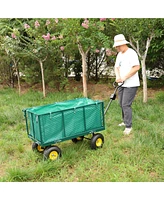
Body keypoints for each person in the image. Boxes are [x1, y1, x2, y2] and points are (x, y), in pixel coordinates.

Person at [113, 34, 140, 135]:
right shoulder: (120, 54)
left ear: (123, 44)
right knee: (121, 103)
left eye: (118, 46)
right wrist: (117, 77)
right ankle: (125, 121)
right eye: (116, 46)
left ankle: (128, 126)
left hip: (131, 84)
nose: (116, 48)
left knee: (126, 104)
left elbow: (136, 67)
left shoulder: (131, 53)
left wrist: (124, 77)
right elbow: (116, 67)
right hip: (121, 84)